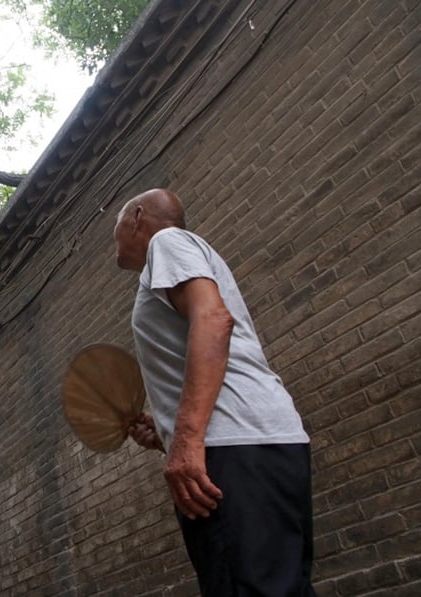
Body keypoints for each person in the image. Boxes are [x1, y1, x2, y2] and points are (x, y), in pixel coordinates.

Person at [114, 188, 315, 596]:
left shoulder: (166, 242)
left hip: (234, 449)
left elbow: (213, 318)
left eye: (115, 223)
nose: (113, 237)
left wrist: (186, 440)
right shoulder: (176, 259)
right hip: (259, 444)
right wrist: (167, 433)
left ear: (138, 217)